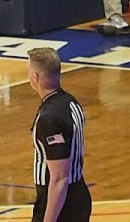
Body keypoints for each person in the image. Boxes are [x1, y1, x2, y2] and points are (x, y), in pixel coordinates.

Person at [27, 47, 91, 222]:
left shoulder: (49, 118)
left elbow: (59, 178)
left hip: (59, 204)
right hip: (79, 194)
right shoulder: (70, 102)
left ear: (36, 77)